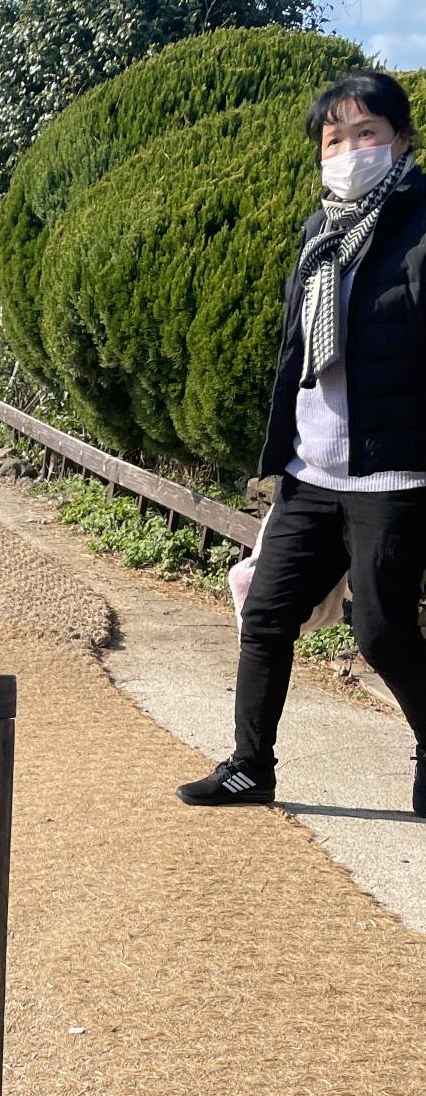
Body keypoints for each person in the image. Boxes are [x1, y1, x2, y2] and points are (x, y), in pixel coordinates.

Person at [178, 68, 426, 817]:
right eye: (334, 139)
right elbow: (298, 347)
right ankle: (250, 767)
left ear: (400, 140)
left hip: (394, 473)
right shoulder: (321, 233)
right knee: (265, 614)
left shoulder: (421, 228)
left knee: (382, 634)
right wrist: (284, 447)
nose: (348, 151)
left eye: (365, 133)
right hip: (313, 468)